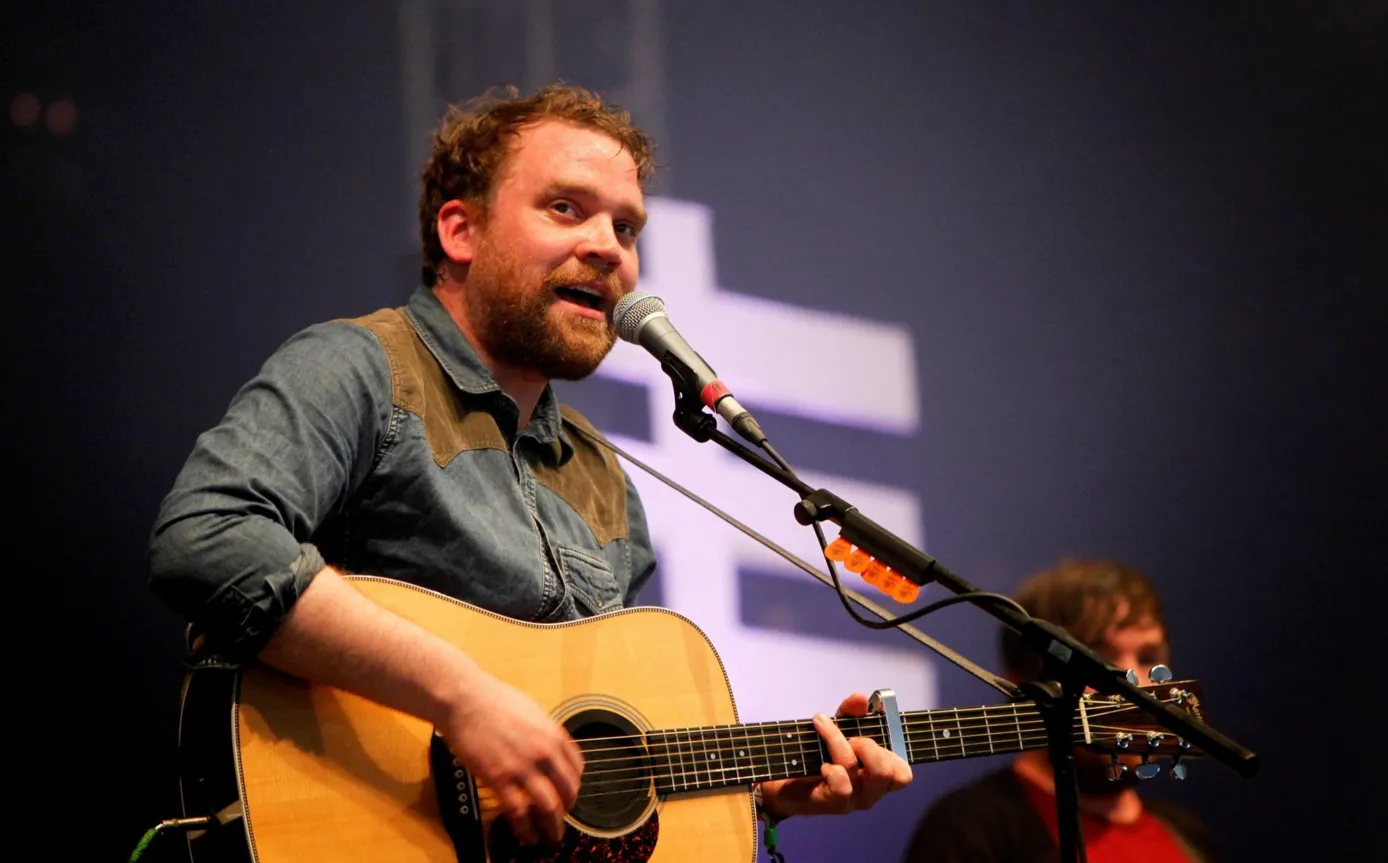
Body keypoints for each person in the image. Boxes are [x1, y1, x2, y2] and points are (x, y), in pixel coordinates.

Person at [147, 82, 911, 852]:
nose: (610, 246)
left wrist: (764, 791)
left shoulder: (602, 475)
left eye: (626, 225)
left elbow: (589, 777)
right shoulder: (360, 368)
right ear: (461, 230)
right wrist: (463, 697)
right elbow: (208, 537)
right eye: (566, 208)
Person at [902, 558, 1220, 863]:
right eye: (1098, 661)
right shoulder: (967, 828)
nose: (1134, 685)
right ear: (1026, 684)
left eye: (1148, 657)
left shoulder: (1187, 833)